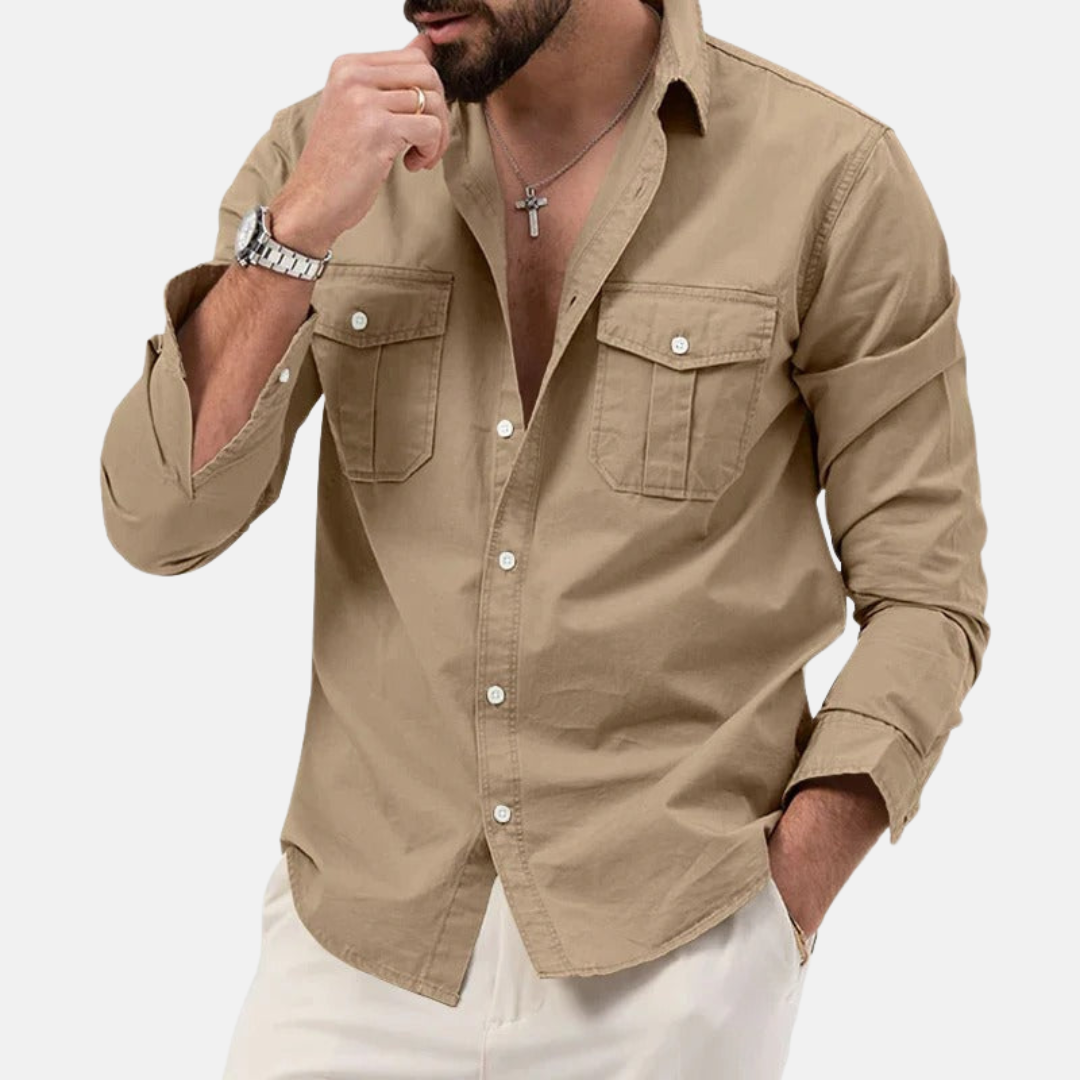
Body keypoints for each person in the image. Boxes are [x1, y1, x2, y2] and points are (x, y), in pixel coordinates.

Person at [98, 1, 990, 1076]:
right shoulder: (321, 153)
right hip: (358, 944)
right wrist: (292, 235)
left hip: (672, 957)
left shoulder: (829, 177)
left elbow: (927, 591)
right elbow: (158, 518)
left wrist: (782, 904)